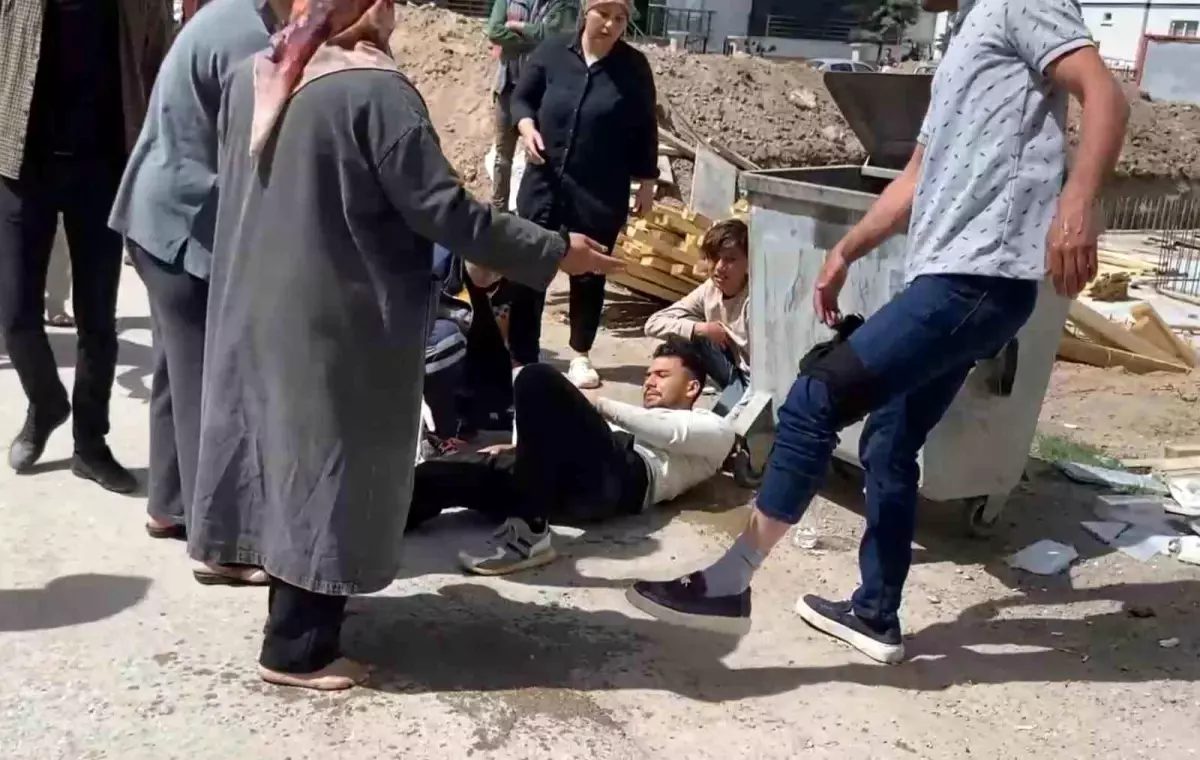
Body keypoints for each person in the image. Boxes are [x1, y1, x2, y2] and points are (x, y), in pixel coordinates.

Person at [628, 0, 1129, 663]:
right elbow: (914, 179)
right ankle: (875, 614)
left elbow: (1105, 95)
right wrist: (846, 251)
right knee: (890, 441)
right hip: (954, 281)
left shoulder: (1016, 2)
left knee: (814, 398)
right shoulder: (961, 41)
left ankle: (730, 581)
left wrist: (1078, 201)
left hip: (977, 280)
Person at [190, 0, 618, 691]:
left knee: (277, 455)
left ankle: (279, 592)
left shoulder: (259, 72)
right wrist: (553, 250)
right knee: (330, 468)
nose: (392, 13)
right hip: (337, 318)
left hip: (256, 303)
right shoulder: (375, 93)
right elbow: (446, 210)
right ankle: (297, 649)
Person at [109, 0, 289, 585]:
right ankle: (219, 544)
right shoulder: (247, 41)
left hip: (156, 215)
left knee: (176, 369)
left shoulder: (230, 16)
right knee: (208, 386)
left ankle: (169, 504)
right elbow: (257, 150)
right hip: (183, 223)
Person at [0, 0, 170, 491]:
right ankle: (46, 402)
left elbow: (159, 67)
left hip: (102, 169)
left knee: (98, 322)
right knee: (15, 314)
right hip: (21, 167)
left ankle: (90, 445)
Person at [412, 339, 735, 575]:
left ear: (692, 388)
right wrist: (522, 449)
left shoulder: (715, 428)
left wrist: (596, 403)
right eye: (648, 375)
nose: (650, 382)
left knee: (536, 377)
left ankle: (529, 534)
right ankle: (384, 523)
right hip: (551, 483)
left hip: (616, 480)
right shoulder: (625, 419)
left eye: (662, 375)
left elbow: (667, 432)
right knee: (435, 475)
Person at [505, 0, 659, 389]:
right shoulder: (553, 52)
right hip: (543, 184)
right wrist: (526, 127)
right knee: (531, 265)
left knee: (589, 272)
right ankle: (523, 355)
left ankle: (580, 354)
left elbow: (645, 127)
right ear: (586, 11)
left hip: (600, 188)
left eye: (620, 19)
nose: (610, 24)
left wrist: (646, 181)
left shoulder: (634, 68)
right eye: (603, 14)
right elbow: (521, 98)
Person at [645, 219, 750, 416]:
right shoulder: (710, 289)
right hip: (732, 369)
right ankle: (674, 406)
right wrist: (701, 328)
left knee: (721, 427)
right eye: (714, 258)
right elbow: (653, 323)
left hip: (755, 380)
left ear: (748, 263)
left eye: (730, 259)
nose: (719, 267)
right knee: (685, 334)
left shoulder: (753, 302)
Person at [486, 0, 579, 212]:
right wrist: (535, 42)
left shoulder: (563, 4)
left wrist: (517, 28)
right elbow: (494, 31)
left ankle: (533, 212)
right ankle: (499, 212)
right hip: (508, 87)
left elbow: (553, 37)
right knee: (502, 156)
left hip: (541, 94)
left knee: (540, 155)